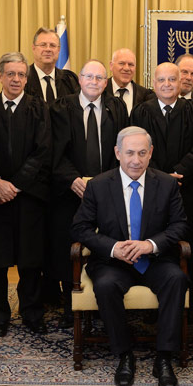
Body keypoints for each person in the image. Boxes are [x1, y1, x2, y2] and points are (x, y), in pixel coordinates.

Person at [71, 126, 189, 386]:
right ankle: (124, 355)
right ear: (117, 153)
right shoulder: (98, 185)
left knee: (177, 279)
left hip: (155, 259)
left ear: (150, 154)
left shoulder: (167, 184)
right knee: (106, 285)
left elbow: (180, 225)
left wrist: (150, 245)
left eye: (142, 153)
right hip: (114, 261)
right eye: (130, 153)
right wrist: (113, 248)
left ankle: (164, 357)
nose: (136, 160)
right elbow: (80, 228)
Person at [0, 52, 52, 337]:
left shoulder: (37, 107)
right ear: (0, 76)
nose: (17, 79)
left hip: (28, 195)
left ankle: (31, 312)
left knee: (30, 260)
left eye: (21, 74)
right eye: (11, 74)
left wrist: (15, 185)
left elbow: (43, 151)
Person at [49, 59, 129, 328]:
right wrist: (72, 180)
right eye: (89, 77)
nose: (94, 82)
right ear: (80, 79)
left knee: (102, 244)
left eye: (99, 78)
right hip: (70, 190)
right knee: (67, 245)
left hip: (106, 191)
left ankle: (101, 303)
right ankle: (71, 306)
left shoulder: (115, 107)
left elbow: (122, 149)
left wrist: (104, 183)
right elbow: (54, 150)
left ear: (106, 83)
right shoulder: (62, 107)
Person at [131, 62, 193, 239]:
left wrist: (178, 172)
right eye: (162, 80)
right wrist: (162, 175)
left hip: (186, 186)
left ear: (180, 82)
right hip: (150, 184)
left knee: (184, 236)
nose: (167, 84)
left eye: (172, 79)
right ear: (154, 84)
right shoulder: (140, 112)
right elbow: (137, 149)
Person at [25, 27, 80, 105]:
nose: (48, 49)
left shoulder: (70, 80)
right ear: (33, 48)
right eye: (43, 45)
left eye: (52, 45)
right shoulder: (23, 79)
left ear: (58, 50)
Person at [103, 48, 155, 114]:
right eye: (121, 63)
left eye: (131, 64)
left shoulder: (146, 96)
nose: (126, 68)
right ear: (111, 65)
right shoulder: (100, 91)